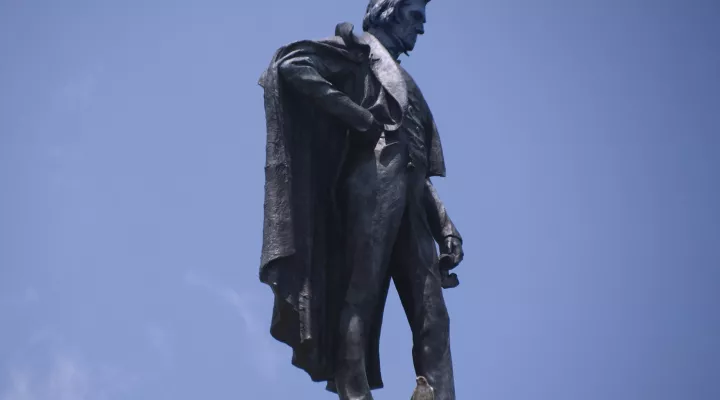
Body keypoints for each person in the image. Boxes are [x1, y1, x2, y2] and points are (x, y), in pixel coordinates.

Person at [258, 1, 464, 399]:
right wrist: (359, 117)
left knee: (433, 313)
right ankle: (355, 393)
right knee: (362, 294)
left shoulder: (408, 83)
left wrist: (447, 229)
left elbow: (418, 164)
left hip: (410, 202)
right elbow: (291, 66)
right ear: (388, 12)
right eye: (416, 16)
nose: (421, 28)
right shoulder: (355, 55)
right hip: (370, 186)